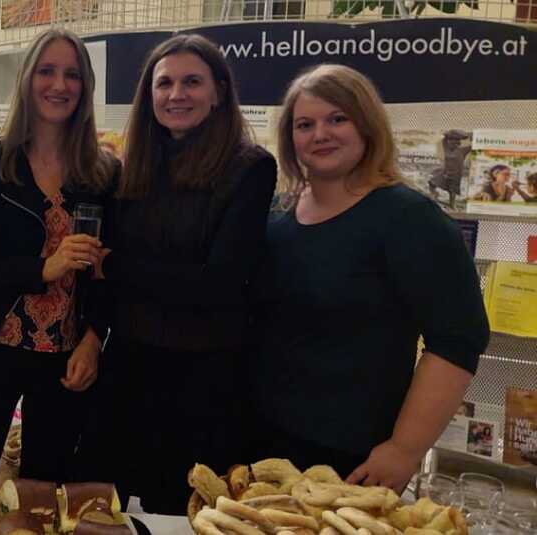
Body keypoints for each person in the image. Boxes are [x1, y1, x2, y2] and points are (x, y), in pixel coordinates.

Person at [250, 64, 489, 492]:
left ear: (367, 124)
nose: (320, 134)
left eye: (337, 118)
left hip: (354, 457)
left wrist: (404, 448)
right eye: (305, 125)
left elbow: (457, 340)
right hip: (263, 441)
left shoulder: (409, 218)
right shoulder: (277, 215)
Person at [76, 33, 276, 514]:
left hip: (201, 380)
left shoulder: (249, 168)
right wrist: (92, 332)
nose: (176, 94)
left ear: (219, 92)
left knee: (178, 512)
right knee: (95, 507)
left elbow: (219, 283)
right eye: (164, 83)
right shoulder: (134, 166)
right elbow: (104, 269)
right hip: (129, 366)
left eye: (192, 82)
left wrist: (116, 267)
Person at [0, 28, 119, 485]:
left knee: (47, 493)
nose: (59, 85)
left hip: (64, 361)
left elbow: (108, 273)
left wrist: (93, 340)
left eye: (72, 74)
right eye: (46, 71)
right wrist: (44, 268)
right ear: (26, 79)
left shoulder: (102, 172)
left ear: (85, 87)